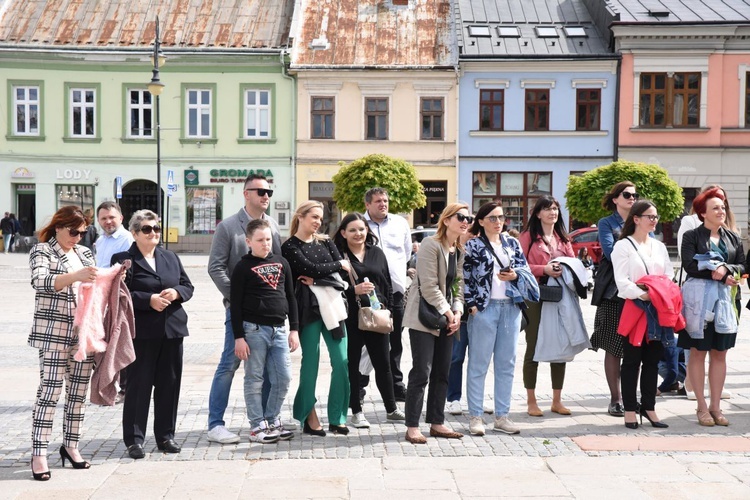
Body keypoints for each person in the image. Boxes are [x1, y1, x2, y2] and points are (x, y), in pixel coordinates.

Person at [206, 173, 283, 444]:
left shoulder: (272, 225)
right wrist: (239, 299)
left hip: (267, 316)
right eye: (260, 191)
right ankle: (215, 424)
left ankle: (264, 422)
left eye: (269, 192)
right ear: (246, 193)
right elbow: (215, 267)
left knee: (268, 369)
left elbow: (278, 264)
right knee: (230, 363)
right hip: (238, 312)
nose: (266, 196)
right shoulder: (229, 227)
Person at [112, 210, 193, 459]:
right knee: (139, 386)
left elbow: (187, 285)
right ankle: (134, 440)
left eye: (156, 228)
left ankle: (165, 436)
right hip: (142, 333)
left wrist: (176, 293)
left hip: (172, 331)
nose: (153, 233)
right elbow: (117, 292)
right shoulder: (124, 259)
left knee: (169, 384)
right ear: (134, 233)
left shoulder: (170, 257)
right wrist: (149, 300)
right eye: (147, 229)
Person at [28, 205, 98, 480]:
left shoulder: (84, 252)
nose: (77, 237)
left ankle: (71, 446)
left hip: (83, 334)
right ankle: (39, 453)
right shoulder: (42, 250)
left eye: (82, 233)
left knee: (78, 394)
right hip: (53, 333)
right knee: (50, 391)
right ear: (58, 227)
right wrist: (76, 277)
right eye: (73, 231)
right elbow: (40, 281)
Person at [464, 201, 537, 435]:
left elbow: (523, 269)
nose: (498, 222)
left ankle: (502, 416)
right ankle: (475, 416)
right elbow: (465, 277)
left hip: (510, 308)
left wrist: (515, 275)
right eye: (493, 218)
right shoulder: (473, 245)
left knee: (506, 364)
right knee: (478, 364)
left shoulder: (512, 242)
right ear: (482, 221)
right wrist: (472, 305)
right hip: (485, 309)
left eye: (501, 217)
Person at [282, 200, 352, 436]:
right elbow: (308, 268)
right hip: (307, 309)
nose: (318, 222)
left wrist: (319, 278)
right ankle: (309, 416)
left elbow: (342, 272)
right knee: (310, 364)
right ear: (300, 216)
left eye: (320, 219)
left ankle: (337, 416)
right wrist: (335, 265)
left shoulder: (326, 241)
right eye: (313, 217)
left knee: (341, 361)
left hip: (333, 307)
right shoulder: (290, 247)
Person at [403, 203, 469, 444]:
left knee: (443, 371)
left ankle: (437, 422)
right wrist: (448, 313)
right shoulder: (431, 245)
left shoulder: (458, 249)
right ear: (446, 219)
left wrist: (458, 311)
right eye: (460, 217)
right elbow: (429, 286)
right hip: (424, 316)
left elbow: (458, 285)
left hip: (447, 316)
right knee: (422, 371)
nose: (465, 221)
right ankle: (412, 426)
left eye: (468, 218)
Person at [679, 187, 744, 427]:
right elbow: (689, 266)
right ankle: (701, 406)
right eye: (715, 207)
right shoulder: (692, 236)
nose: (721, 211)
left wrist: (727, 270)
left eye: (723, 207)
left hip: (727, 303)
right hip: (699, 303)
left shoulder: (733, 237)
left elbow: (742, 264)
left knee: (720, 354)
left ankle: (716, 407)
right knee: (698, 352)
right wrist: (715, 274)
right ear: (702, 213)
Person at [333, 213, 405, 428]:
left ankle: (391, 408)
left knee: (384, 364)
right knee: (353, 365)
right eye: (353, 230)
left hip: (377, 315)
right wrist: (352, 289)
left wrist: (390, 310)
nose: (358, 233)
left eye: (362, 229)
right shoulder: (339, 256)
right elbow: (332, 287)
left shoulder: (377, 253)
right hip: (350, 318)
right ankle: (356, 411)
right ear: (343, 233)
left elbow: (388, 285)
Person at [230, 219, 299, 443]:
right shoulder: (242, 267)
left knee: (283, 377)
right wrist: (239, 337)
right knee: (255, 379)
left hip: (279, 330)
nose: (265, 244)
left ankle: (272, 419)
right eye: (260, 240)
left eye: (268, 239)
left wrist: (294, 329)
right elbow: (236, 306)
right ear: (249, 241)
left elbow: (291, 297)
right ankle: (257, 425)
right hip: (254, 330)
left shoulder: (282, 263)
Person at [611, 200, 674, 429]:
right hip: (636, 308)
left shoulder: (659, 246)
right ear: (636, 219)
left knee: (652, 360)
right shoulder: (623, 246)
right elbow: (622, 281)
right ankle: (629, 408)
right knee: (631, 361)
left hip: (657, 309)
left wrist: (656, 292)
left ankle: (649, 407)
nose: (654, 220)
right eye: (650, 216)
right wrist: (645, 294)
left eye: (656, 216)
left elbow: (668, 274)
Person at [519, 195, 575, 417]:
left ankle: (557, 400)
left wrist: (566, 268)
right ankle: (531, 401)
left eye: (555, 209)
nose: (553, 212)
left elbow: (573, 263)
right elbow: (519, 266)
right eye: (548, 209)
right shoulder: (528, 237)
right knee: (533, 346)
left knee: (559, 347)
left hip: (560, 296)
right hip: (535, 295)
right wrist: (544, 269)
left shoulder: (563, 238)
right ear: (538, 213)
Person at [590, 181, 638, 417]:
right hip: (613, 291)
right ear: (616, 199)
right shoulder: (607, 223)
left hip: (638, 289)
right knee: (613, 344)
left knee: (635, 345)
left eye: (635, 195)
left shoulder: (640, 220)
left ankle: (631, 396)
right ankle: (615, 399)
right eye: (627, 194)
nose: (632, 198)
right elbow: (610, 253)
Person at [363, 187, 412, 402]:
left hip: (396, 293)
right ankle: (359, 386)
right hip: (369, 293)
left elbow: (407, 252)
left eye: (385, 200)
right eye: (378, 201)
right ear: (367, 205)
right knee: (367, 342)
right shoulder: (359, 224)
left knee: (395, 341)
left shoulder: (400, 223)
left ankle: (395, 385)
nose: (383, 204)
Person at [94, 201, 135, 400]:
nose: (108, 221)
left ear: (121, 218)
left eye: (112, 217)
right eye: (104, 218)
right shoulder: (100, 241)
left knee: (120, 339)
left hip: (118, 296)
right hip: (100, 296)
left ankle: (125, 388)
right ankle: (111, 383)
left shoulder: (127, 240)